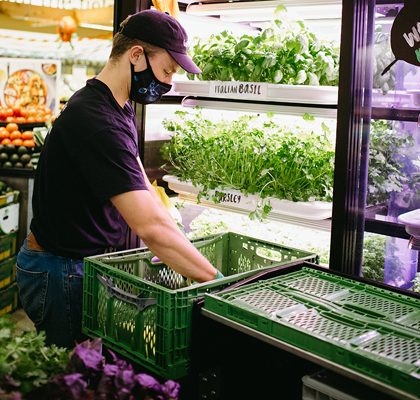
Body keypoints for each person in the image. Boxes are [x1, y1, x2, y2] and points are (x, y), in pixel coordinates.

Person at [16, 10, 221, 349]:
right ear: (137, 55)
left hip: (77, 264)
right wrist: (216, 281)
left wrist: (169, 221)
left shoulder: (116, 105)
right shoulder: (96, 119)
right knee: (73, 376)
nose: (168, 82)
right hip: (61, 271)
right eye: (167, 69)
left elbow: (136, 171)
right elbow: (150, 228)